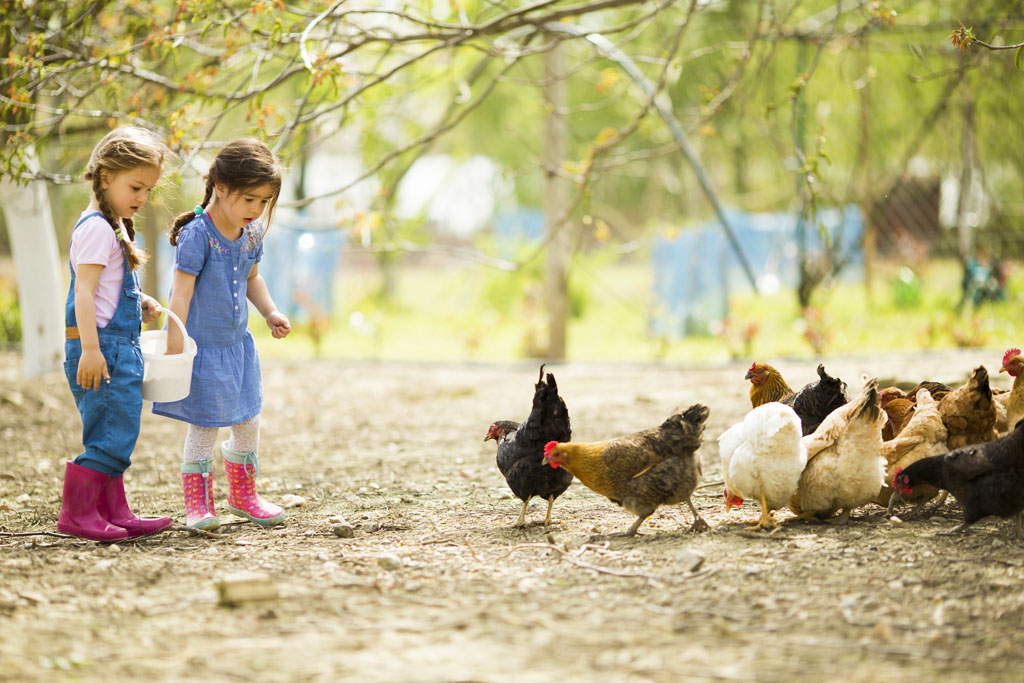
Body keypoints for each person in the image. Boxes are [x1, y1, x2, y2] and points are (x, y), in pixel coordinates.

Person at [153, 138, 291, 530]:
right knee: (206, 424)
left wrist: (270, 311)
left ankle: (243, 495)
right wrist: (174, 346)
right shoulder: (198, 236)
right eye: (250, 199)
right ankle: (198, 504)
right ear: (221, 187)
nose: (257, 209)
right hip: (203, 350)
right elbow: (179, 295)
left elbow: (254, 279)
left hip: (237, 348)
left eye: (264, 201)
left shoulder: (250, 235)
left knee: (248, 418)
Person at [59, 127, 173, 541]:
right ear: (105, 176)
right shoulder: (96, 228)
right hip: (101, 348)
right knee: (108, 434)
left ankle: (113, 509)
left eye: (148, 190)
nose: (141, 198)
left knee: (119, 430)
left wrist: (137, 300)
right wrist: (90, 349)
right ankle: (77, 514)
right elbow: (83, 295)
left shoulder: (115, 226)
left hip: (118, 347)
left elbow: (107, 289)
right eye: (136, 187)